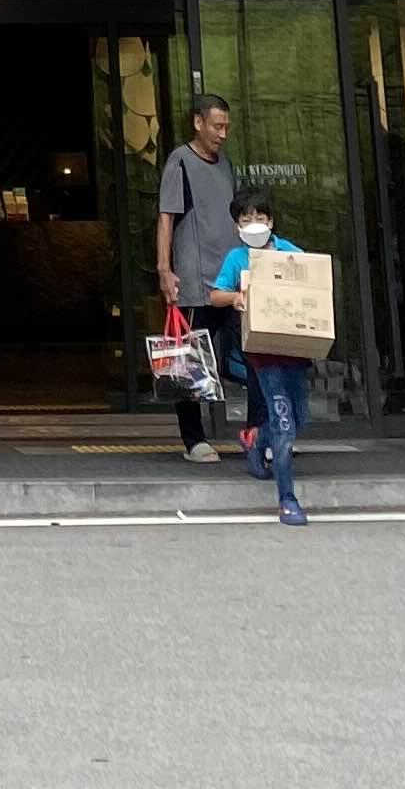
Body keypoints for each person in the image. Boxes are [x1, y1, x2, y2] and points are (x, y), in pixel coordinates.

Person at [210, 192, 312, 522]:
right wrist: (235, 298)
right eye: (246, 220)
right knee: (284, 424)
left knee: (299, 418)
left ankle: (254, 439)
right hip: (262, 352)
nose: (254, 225)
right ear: (237, 226)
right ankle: (288, 500)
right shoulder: (237, 258)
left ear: (271, 222)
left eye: (260, 219)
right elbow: (215, 295)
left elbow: (313, 281)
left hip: (295, 349)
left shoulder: (290, 253)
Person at [150, 94, 238, 463]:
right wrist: (164, 269)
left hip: (229, 279)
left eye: (226, 127)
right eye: (217, 126)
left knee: (241, 355)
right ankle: (194, 440)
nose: (222, 134)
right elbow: (166, 217)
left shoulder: (226, 165)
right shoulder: (180, 162)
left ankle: (262, 430)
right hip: (193, 280)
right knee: (186, 361)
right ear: (198, 123)